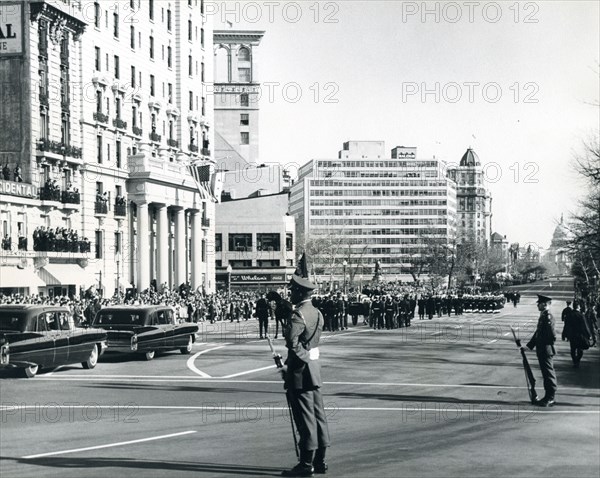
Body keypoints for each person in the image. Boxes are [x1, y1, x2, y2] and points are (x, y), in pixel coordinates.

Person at [281, 275, 331, 477]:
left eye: (293, 291)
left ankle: (305, 464)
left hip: (301, 372)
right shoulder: (317, 312)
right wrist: (310, 357)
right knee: (319, 417)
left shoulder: (298, 315)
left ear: (300, 293)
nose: (291, 294)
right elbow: (313, 342)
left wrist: (301, 360)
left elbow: (293, 344)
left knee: (305, 419)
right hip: (314, 371)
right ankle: (320, 461)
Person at [524, 294, 557, 407]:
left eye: (539, 303)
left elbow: (552, 336)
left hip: (546, 350)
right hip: (542, 350)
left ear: (544, 304)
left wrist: (543, 343)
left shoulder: (548, 317)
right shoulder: (543, 316)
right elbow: (537, 334)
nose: (537, 305)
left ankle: (550, 397)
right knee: (545, 374)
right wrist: (528, 346)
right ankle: (548, 396)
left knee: (548, 374)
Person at [562, 301, 592, 367]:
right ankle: (578, 360)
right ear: (578, 307)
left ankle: (574, 361)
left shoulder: (569, 315)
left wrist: (564, 335)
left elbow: (566, 325)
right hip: (580, 335)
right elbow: (585, 326)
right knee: (580, 349)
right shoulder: (581, 315)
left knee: (572, 349)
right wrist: (589, 335)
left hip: (572, 335)